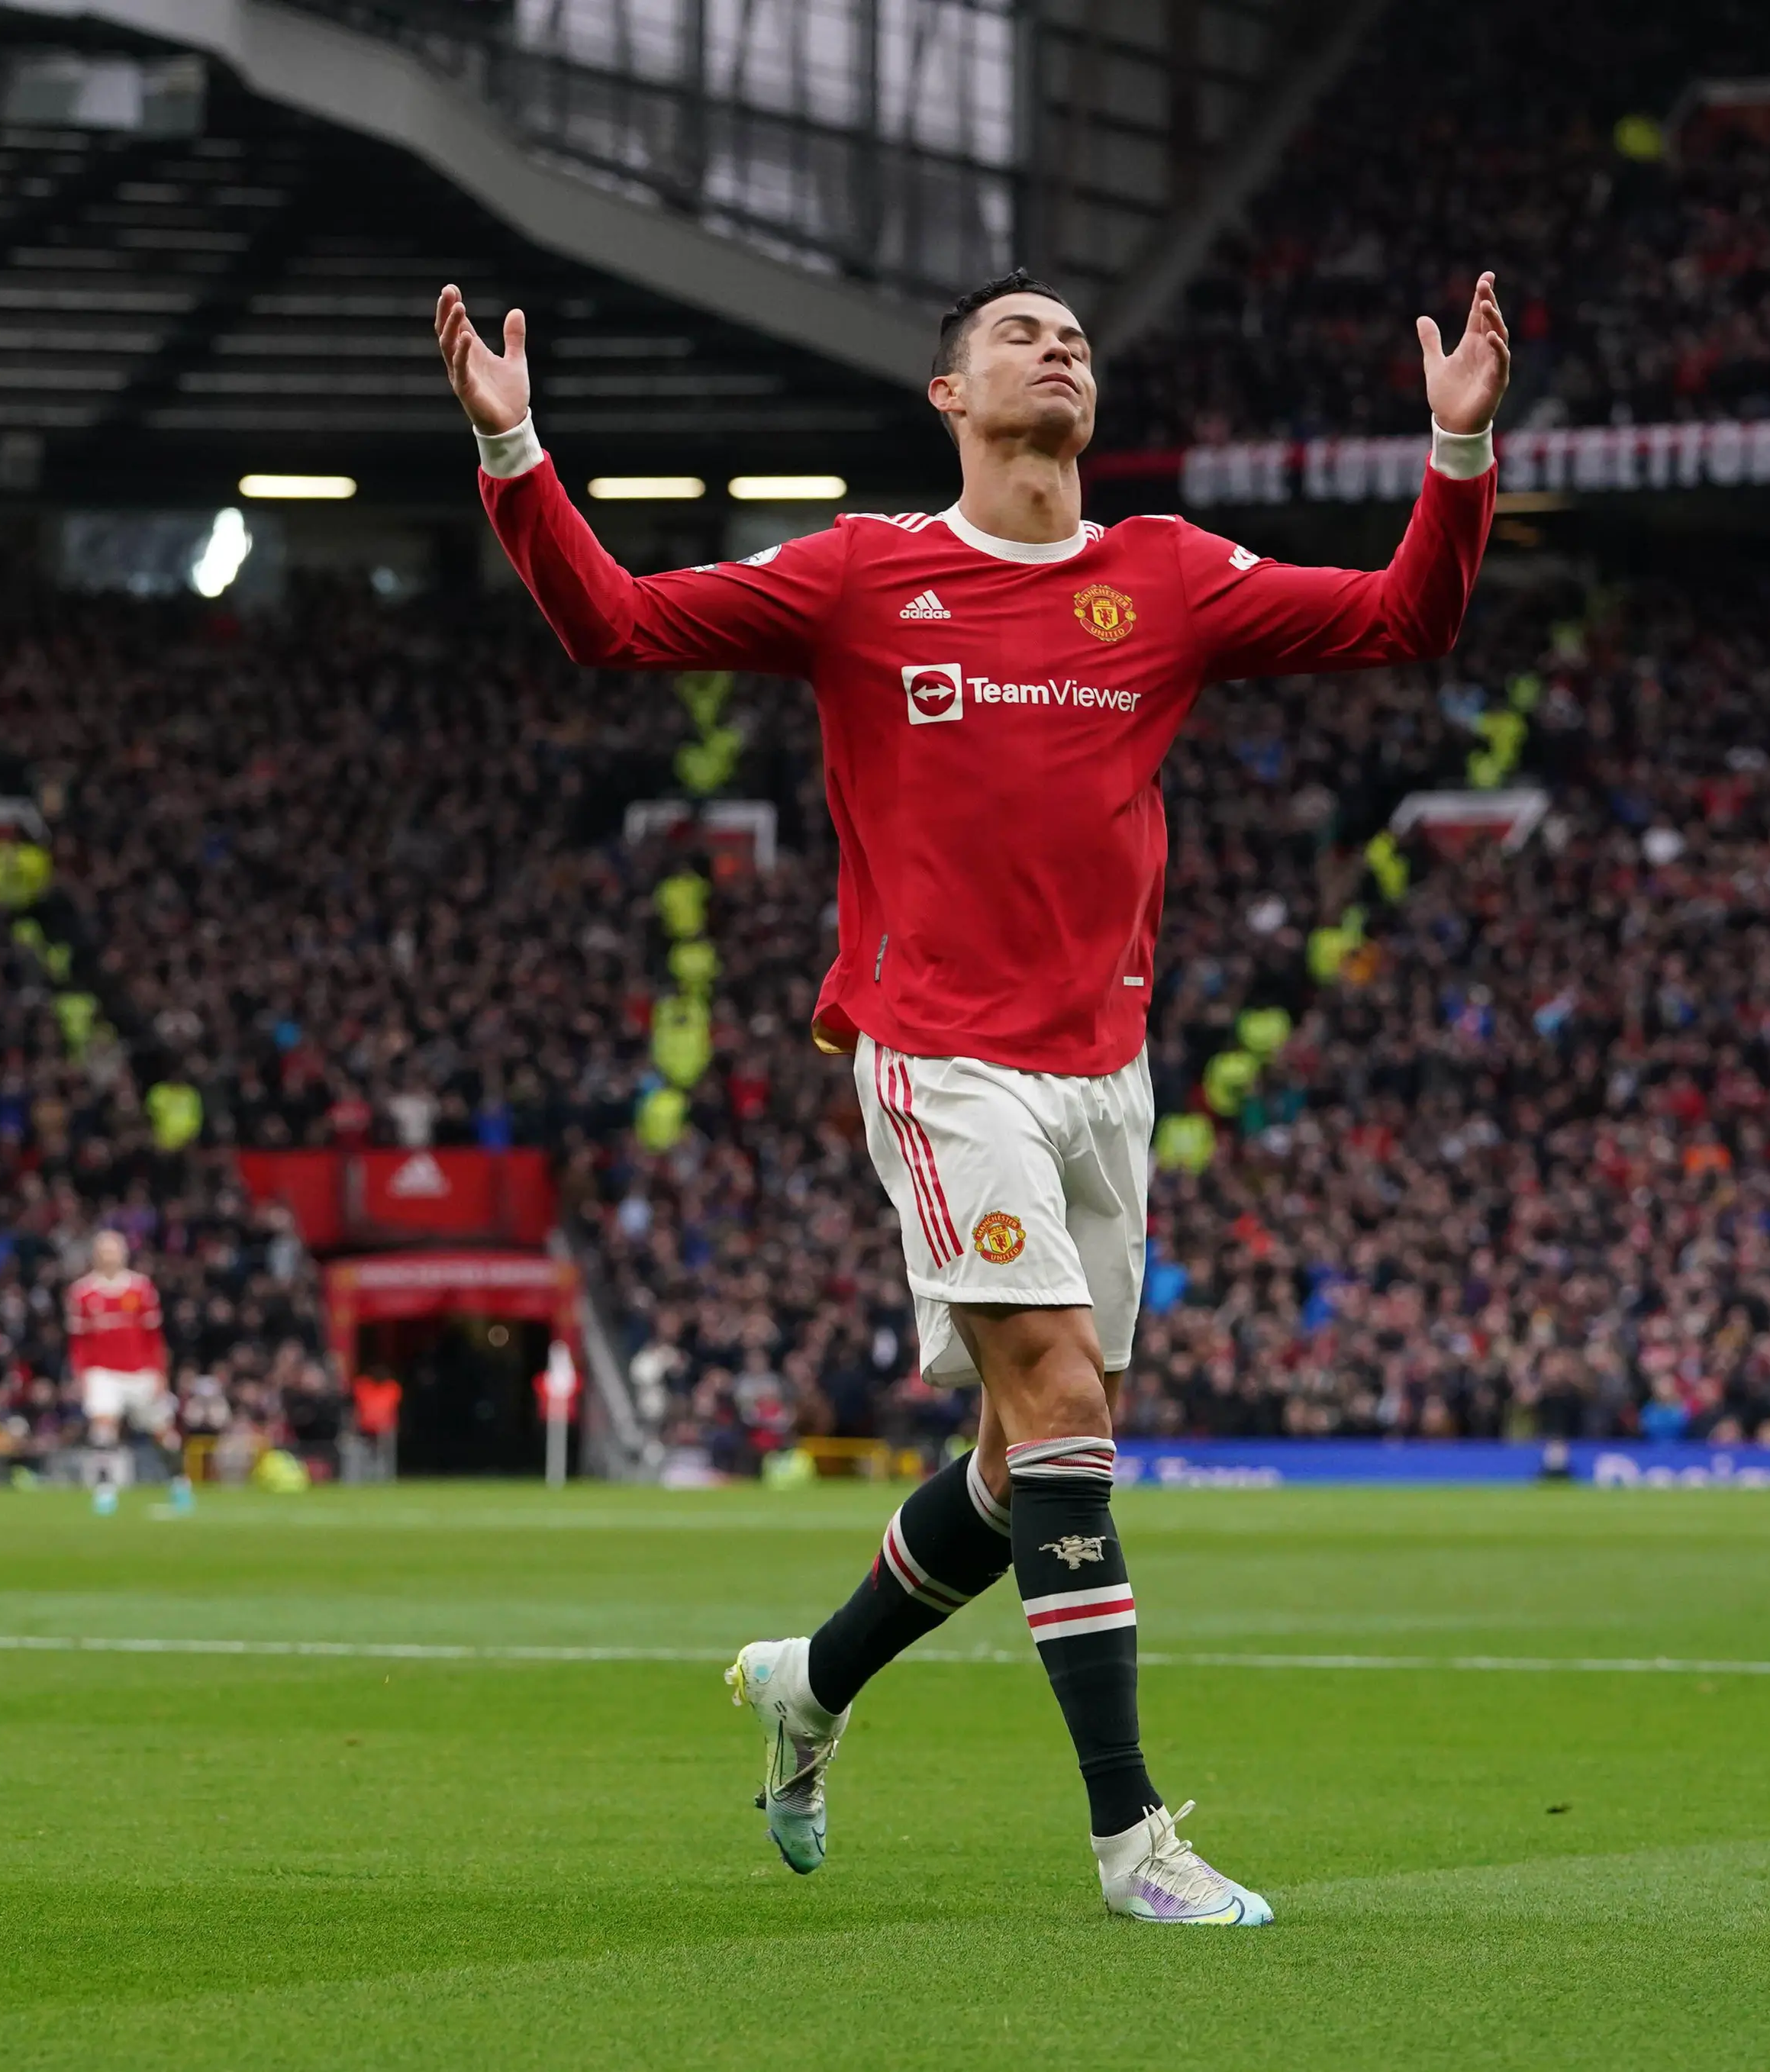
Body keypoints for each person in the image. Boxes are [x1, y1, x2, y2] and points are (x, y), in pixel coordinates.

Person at [434, 263, 1510, 1922]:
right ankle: (1130, 1839)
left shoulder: (1164, 575)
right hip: (941, 1053)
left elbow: (1403, 618)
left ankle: (816, 1675)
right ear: (950, 394)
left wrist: (1459, 456)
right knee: (1067, 1410)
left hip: (1108, 1069)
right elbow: (618, 623)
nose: (1060, 343)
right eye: (1020, 331)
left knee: (1031, 1460)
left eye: (1076, 333)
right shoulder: (870, 573)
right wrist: (518, 455)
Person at [66, 1229, 175, 1512]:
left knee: (163, 1432)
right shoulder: (82, 1292)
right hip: (102, 1372)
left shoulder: (141, 1288)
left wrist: (160, 1372)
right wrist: (82, 1375)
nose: (109, 1255)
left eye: (114, 1249)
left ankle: (180, 1485)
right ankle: (105, 1491)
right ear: (95, 1255)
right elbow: (79, 1341)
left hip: (141, 1372)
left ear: (124, 1253)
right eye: (104, 1250)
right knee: (103, 1427)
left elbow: (154, 1336)